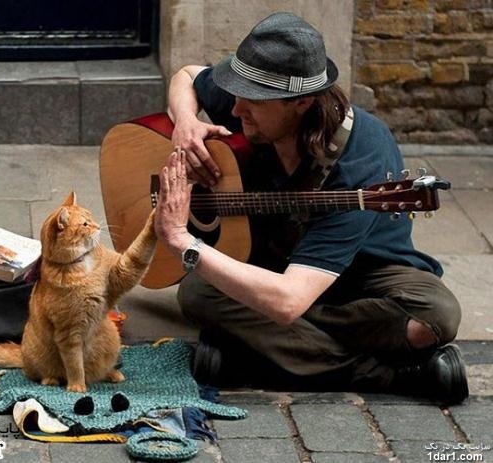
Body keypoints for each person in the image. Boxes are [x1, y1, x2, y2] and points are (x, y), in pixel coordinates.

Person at [153, 12, 468, 404]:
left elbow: (288, 301)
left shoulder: (360, 162)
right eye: (236, 93)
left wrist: (182, 240)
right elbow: (185, 75)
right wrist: (184, 123)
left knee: (434, 316)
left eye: (251, 100)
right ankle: (388, 374)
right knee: (200, 291)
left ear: (302, 101)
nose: (235, 111)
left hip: (362, 272)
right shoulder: (254, 94)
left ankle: (254, 353)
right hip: (270, 257)